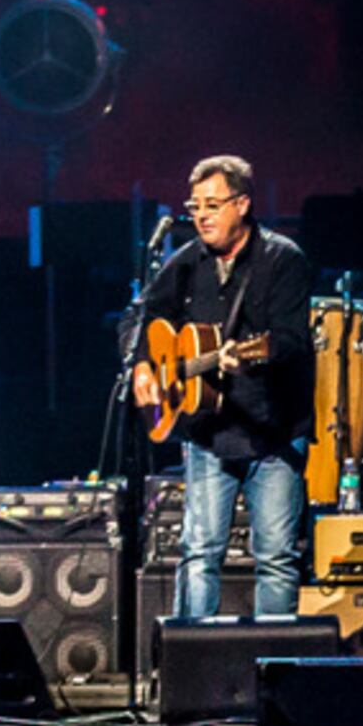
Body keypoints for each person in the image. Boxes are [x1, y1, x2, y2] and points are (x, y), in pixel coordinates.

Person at [129, 154, 316, 621]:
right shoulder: (185, 264)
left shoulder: (283, 260)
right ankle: (190, 662)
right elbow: (145, 320)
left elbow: (291, 341)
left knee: (275, 559)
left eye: (213, 204)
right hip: (207, 432)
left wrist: (251, 357)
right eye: (195, 206)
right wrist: (143, 368)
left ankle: (274, 667)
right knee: (198, 554)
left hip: (273, 432)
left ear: (243, 204)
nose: (202, 215)